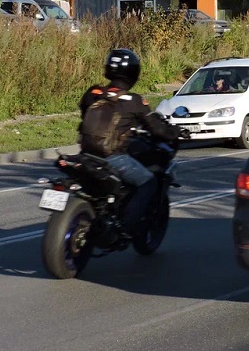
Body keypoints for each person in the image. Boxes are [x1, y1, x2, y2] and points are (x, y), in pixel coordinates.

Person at [78, 48, 182, 235]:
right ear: (133, 73)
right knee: (148, 183)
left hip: (85, 154)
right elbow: (157, 128)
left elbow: (84, 114)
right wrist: (175, 132)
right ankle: (125, 227)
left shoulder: (93, 92)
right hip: (113, 158)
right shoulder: (134, 101)